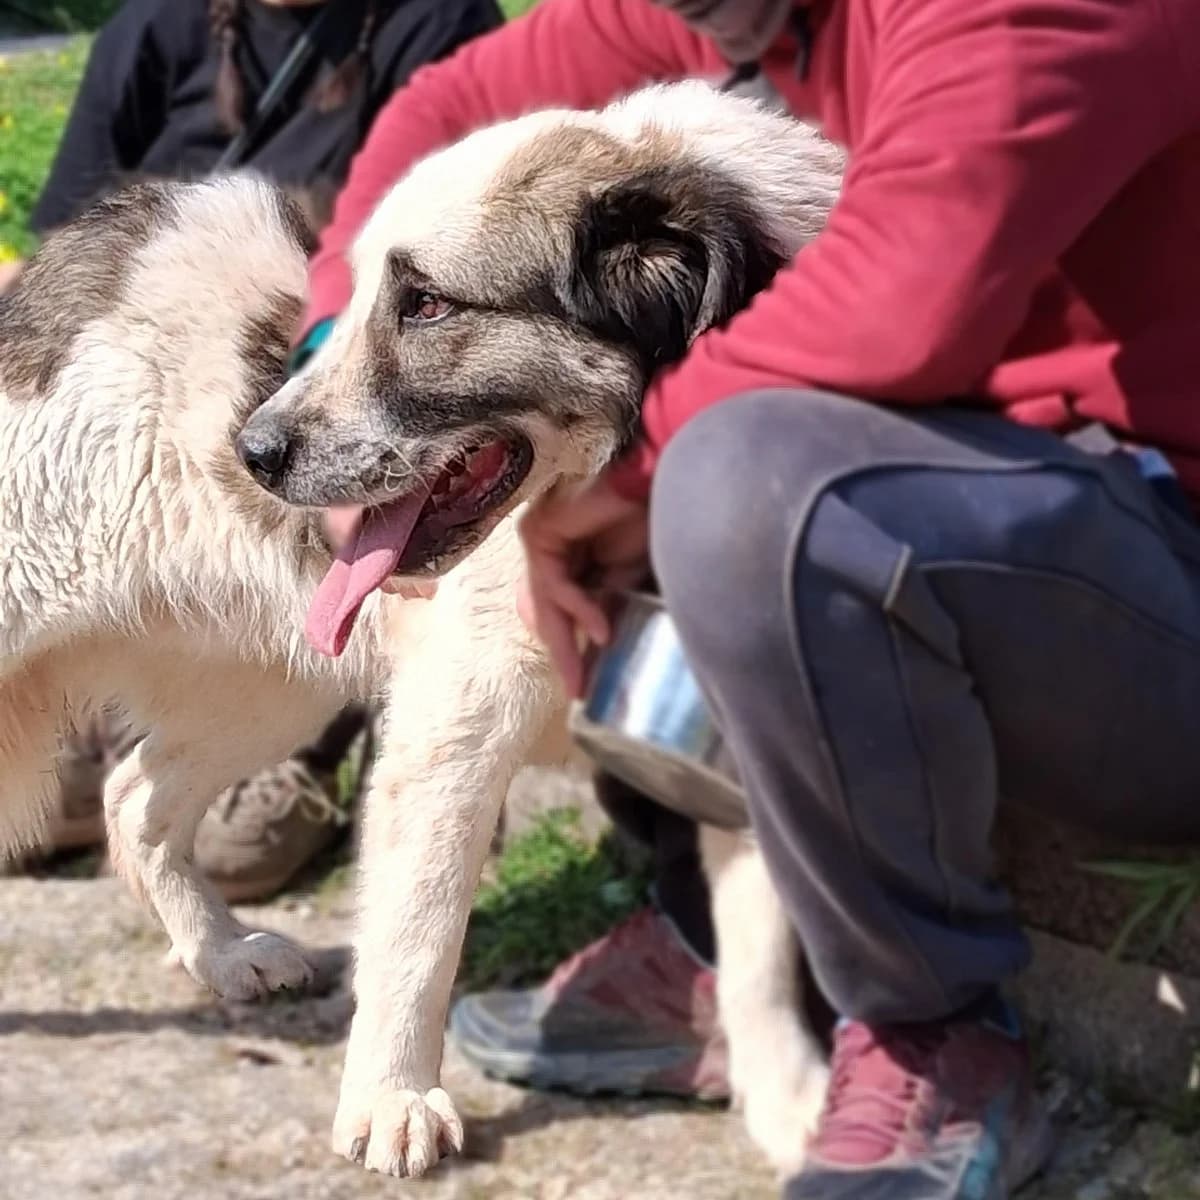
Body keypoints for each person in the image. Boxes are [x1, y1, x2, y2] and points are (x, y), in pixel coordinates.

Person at [299, 0, 1200, 1195]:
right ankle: (704, 935)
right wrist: (334, 346)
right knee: (696, 463)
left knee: (746, 480)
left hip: (1160, 550)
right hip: (1014, 513)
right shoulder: (749, 12)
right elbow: (451, 113)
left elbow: (905, 299)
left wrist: (621, 477)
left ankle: (932, 1037)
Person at [14, 0, 502, 899]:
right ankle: (102, 725)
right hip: (154, 391)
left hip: (342, 376)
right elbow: (53, 251)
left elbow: (468, 249)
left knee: (239, 853)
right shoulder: (151, 30)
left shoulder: (436, 20)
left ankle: (311, 750)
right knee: (30, 795)